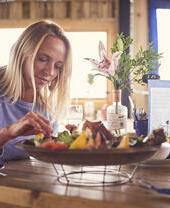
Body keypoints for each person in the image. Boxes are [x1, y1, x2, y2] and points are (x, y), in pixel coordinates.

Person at [0, 20, 72, 164]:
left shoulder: (47, 109)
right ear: (21, 54)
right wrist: (7, 134)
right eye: (43, 59)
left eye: (58, 66)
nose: (50, 72)